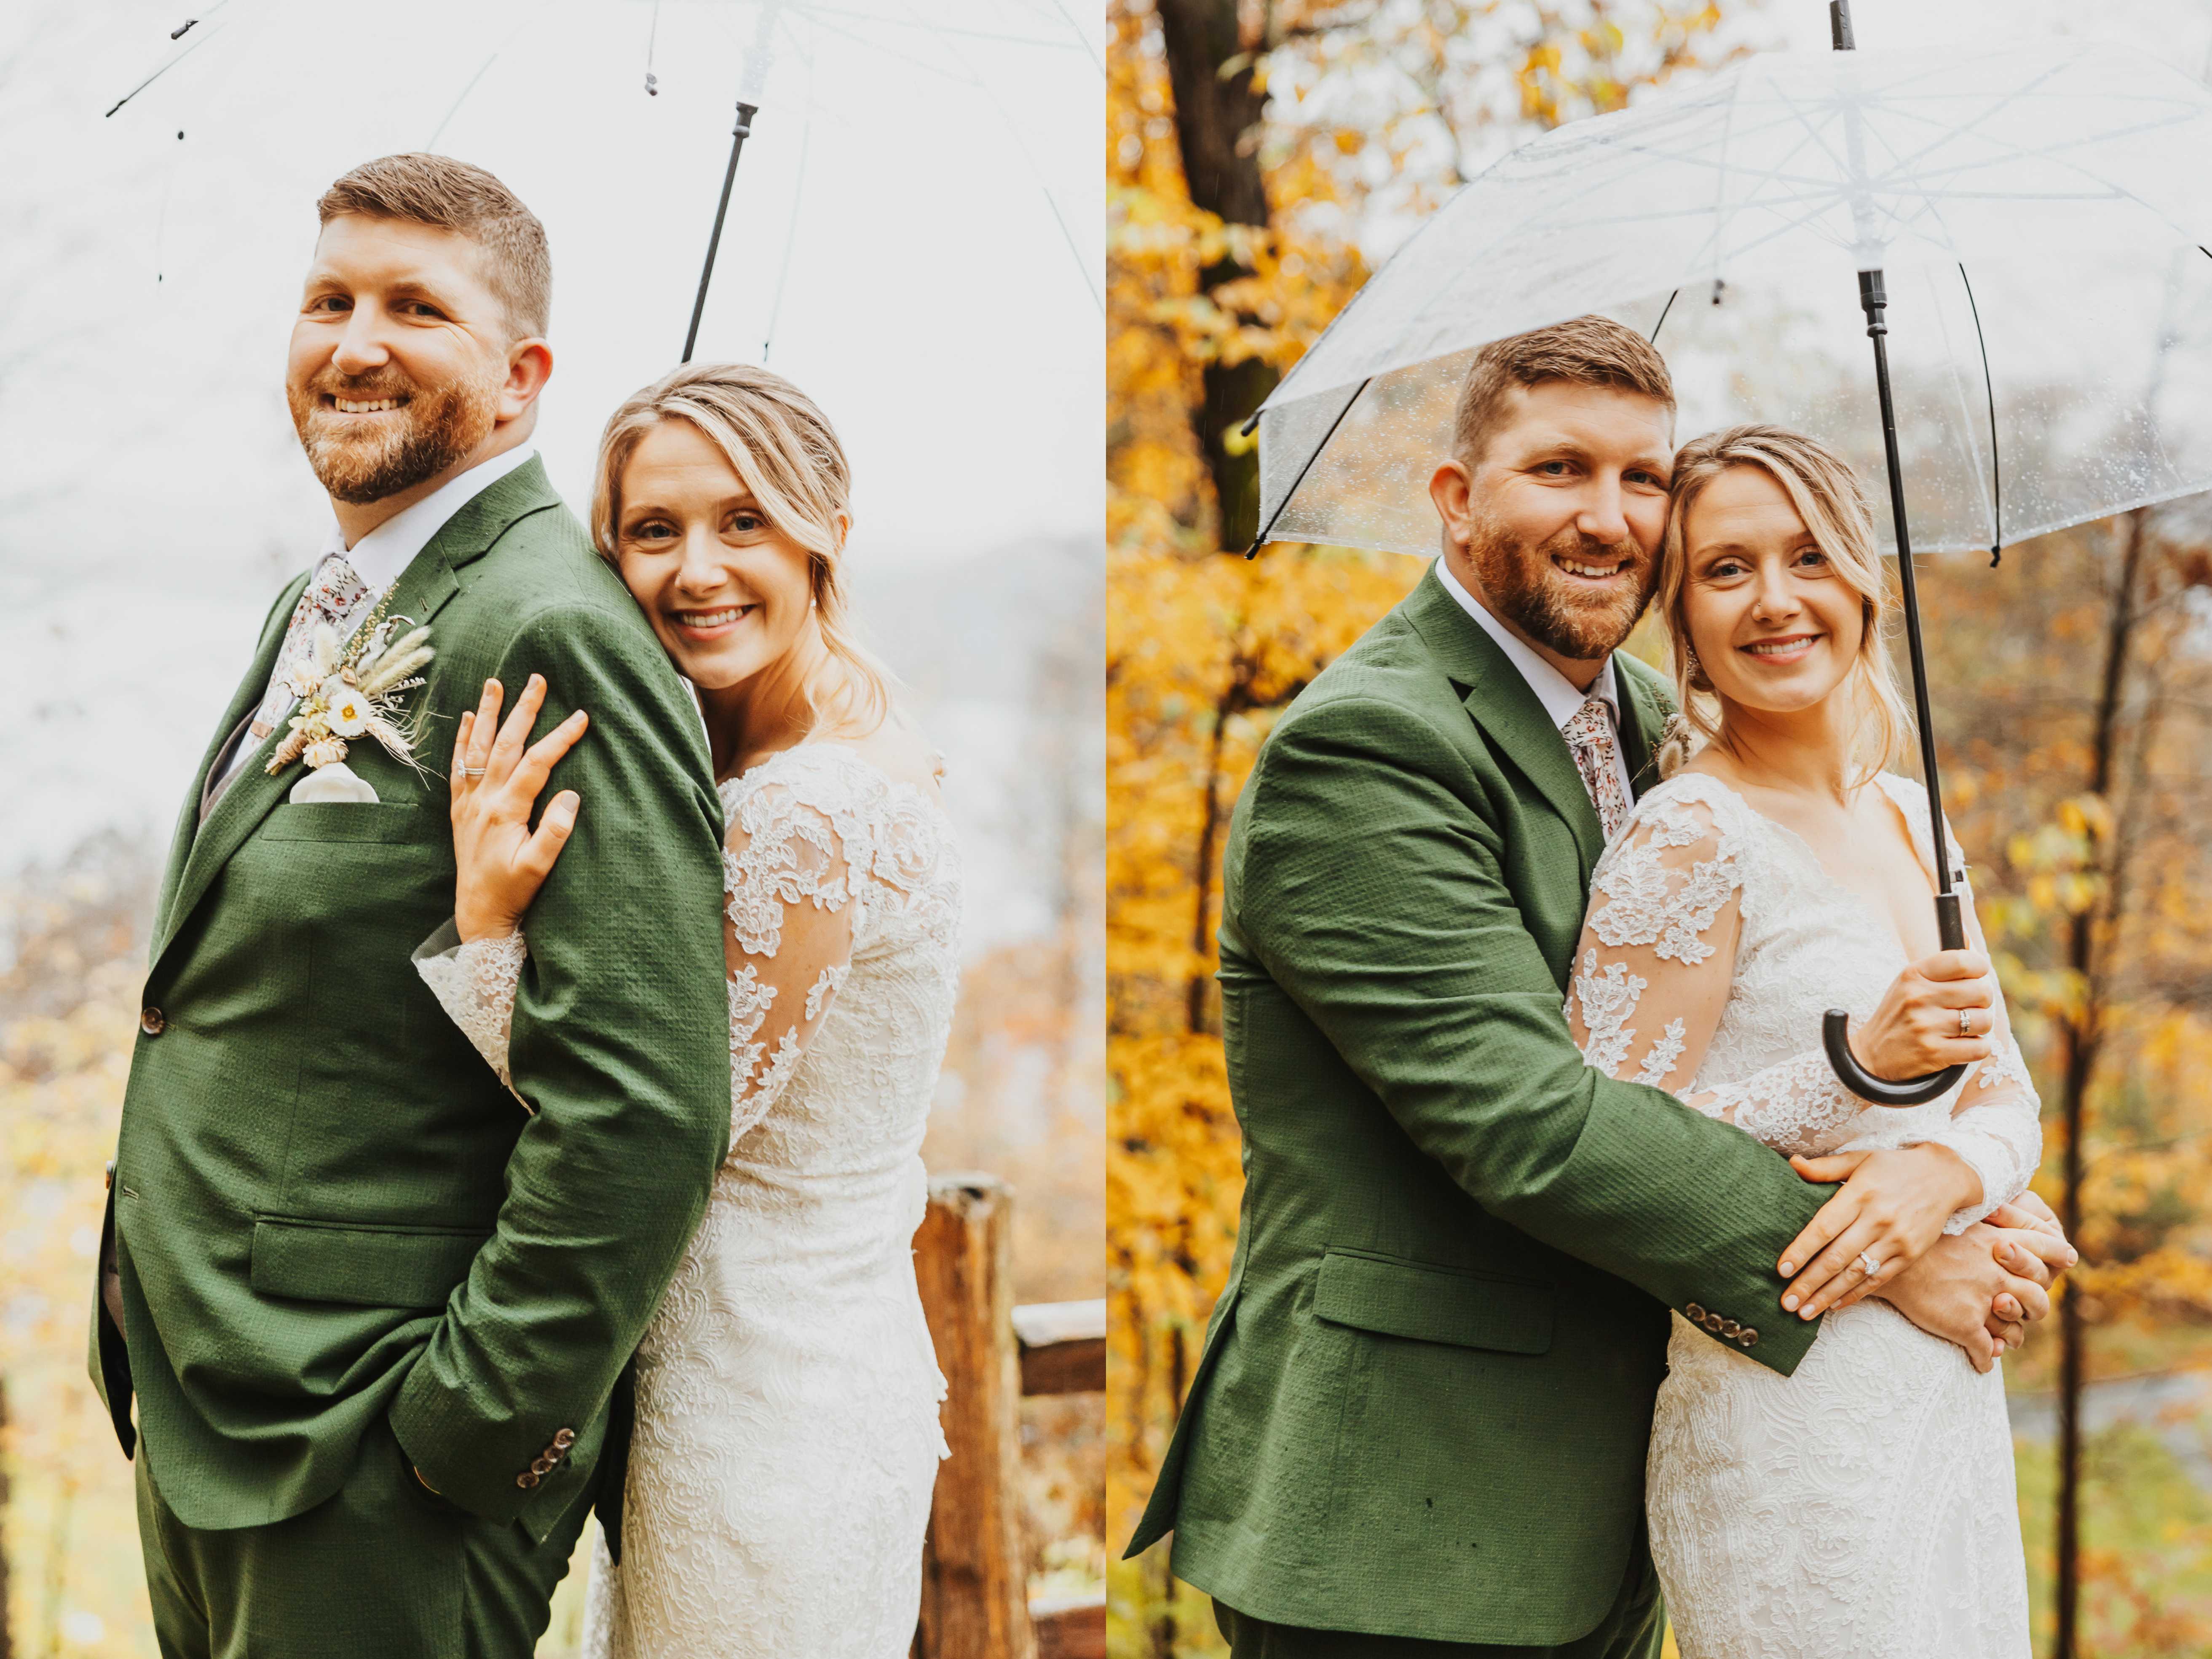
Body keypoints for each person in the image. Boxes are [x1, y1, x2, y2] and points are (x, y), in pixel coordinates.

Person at [1125, 316, 2073, 1658]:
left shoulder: (1653, 718)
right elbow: (1530, 1119)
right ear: (1454, 500)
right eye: (1560, 469)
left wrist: (1968, 1174)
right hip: (1404, 1506)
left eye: (1643, 477)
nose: (1610, 515)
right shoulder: (1367, 746)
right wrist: (1885, 1250)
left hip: (1615, 1481)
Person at [89, 153, 732, 1657]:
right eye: (329, 299)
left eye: (413, 309)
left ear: (520, 377)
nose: (353, 342)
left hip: (370, 1453)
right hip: (214, 1412)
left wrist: (463, 1430)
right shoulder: (342, 594)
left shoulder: (546, 620)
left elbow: (643, 1103)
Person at [417, 360, 961, 1658]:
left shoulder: (808, 810)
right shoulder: (810, 753)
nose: (696, 570)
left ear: (824, 527)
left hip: (767, 1405)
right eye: (652, 530)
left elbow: (667, 1115)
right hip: (784, 1367)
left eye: (744, 521)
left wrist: (485, 925)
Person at [1569, 423, 2041, 1655]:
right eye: (1726, 569)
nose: (1774, 600)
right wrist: (1851, 1066)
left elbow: (2004, 1104)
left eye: (1807, 556)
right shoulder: (1686, 839)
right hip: (1788, 1427)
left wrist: (1950, 1176)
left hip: (1944, 1402)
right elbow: (1607, 1154)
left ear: (1863, 581)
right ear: (1681, 611)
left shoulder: (1911, 819)